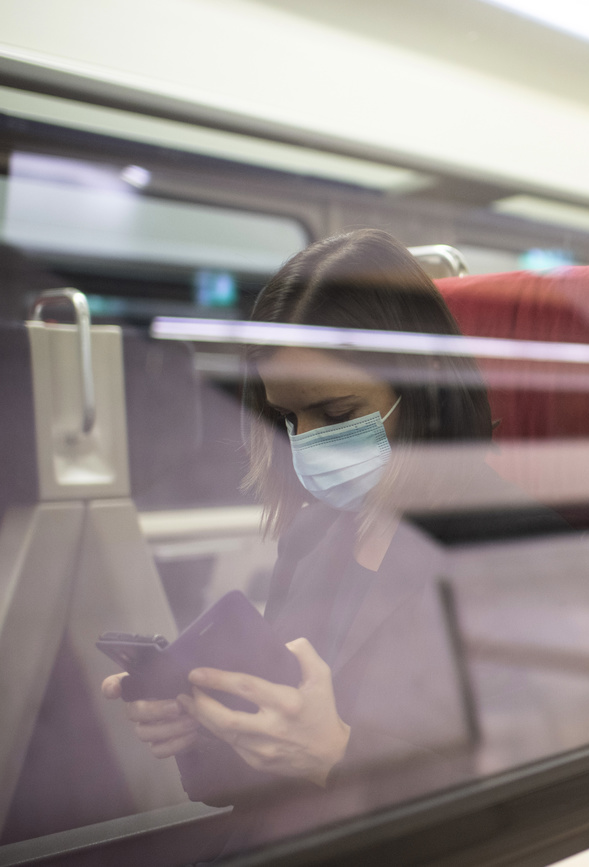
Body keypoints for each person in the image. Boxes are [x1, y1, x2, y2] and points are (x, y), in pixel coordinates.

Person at [101, 228, 494, 854]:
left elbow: (533, 781)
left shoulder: (502, 543)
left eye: (335, 415)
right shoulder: (313, 538)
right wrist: (205, 728)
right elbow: (265, 765)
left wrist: (335, 754)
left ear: (422, 391)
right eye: (288, 419)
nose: (306, 442)